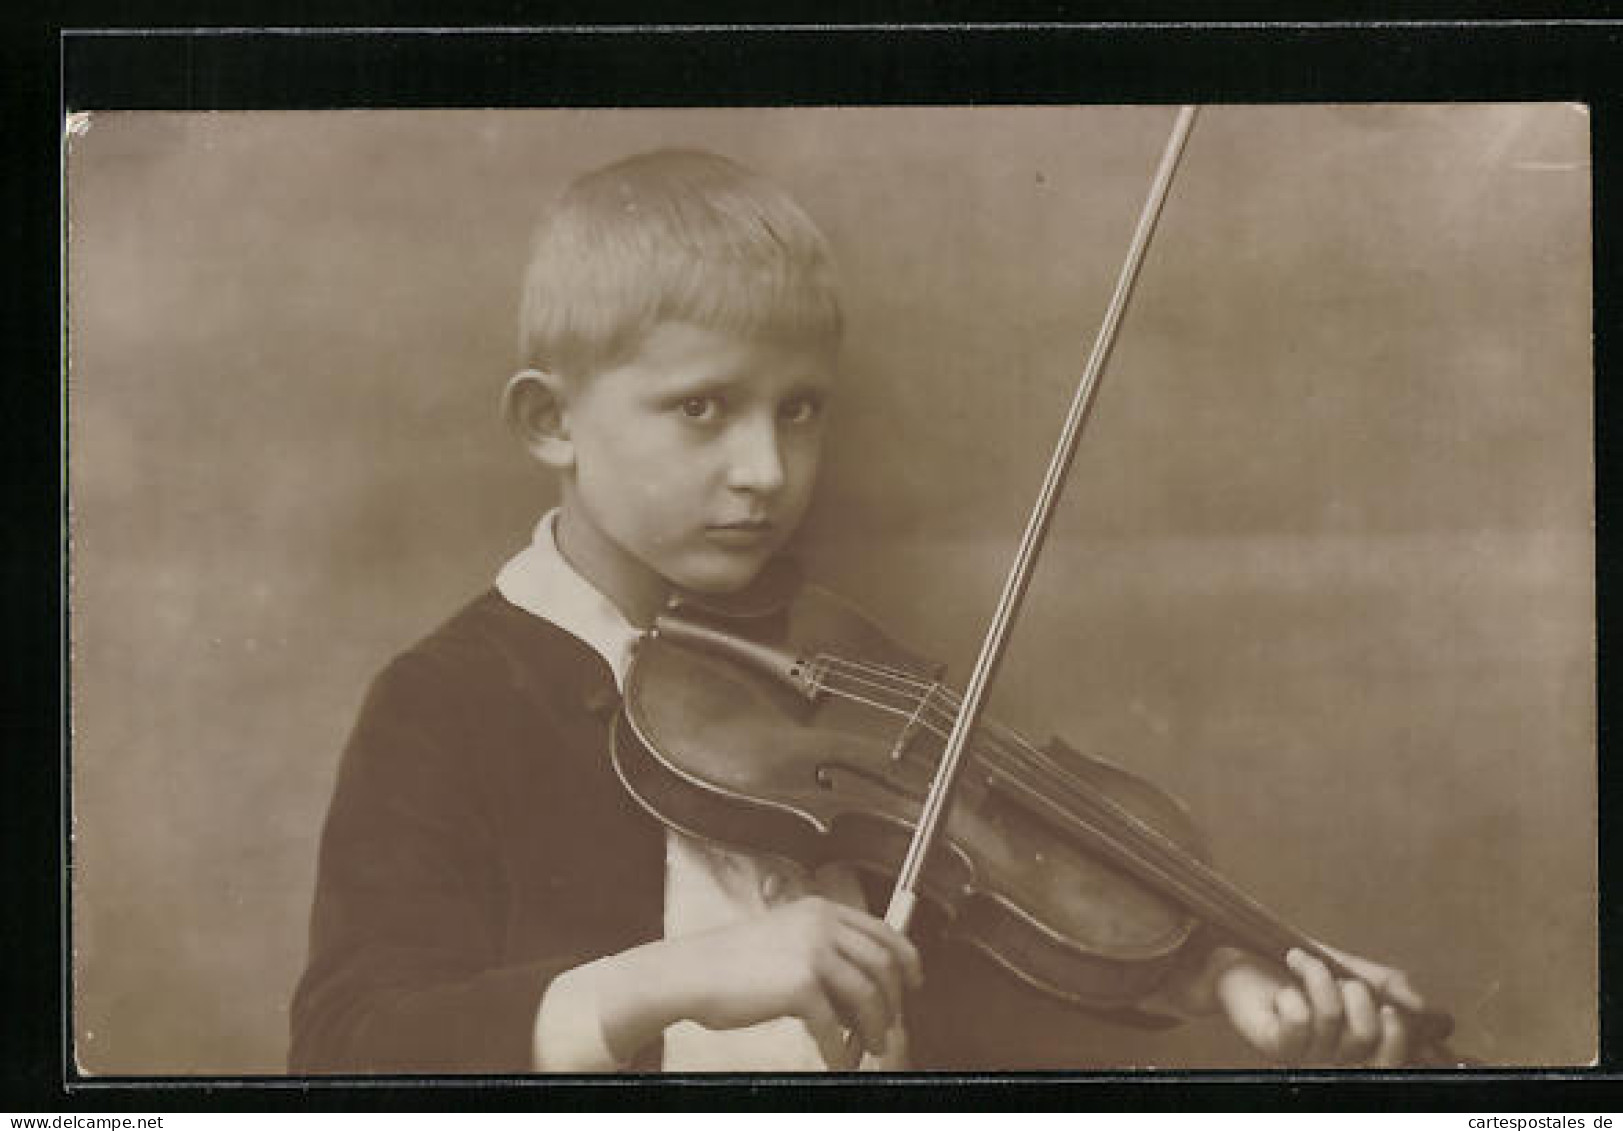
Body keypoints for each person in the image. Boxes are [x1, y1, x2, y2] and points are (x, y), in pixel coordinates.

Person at [288, 148, 1427, 1074]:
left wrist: (1216, 969)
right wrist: (672, 980)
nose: (766, 471)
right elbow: (350, 1052)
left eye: (800, 410)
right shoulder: (449, 702)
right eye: (702, 408)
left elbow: (983, 909)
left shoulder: (816, 665)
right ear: (551, 422)